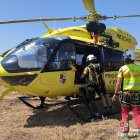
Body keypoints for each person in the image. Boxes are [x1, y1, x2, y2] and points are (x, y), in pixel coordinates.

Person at [113, 50, 140, 138]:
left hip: (125, 94)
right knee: (137, 114)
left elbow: (118, 83)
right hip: (137, 95)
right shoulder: (139, 68)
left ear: (128, 58)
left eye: (125, 57)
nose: (124, 58)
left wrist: (115, 94)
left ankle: (125, 134)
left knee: (125, 114)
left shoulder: (122, 68)